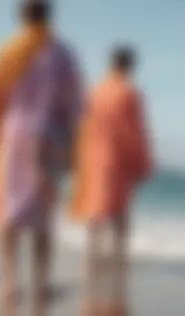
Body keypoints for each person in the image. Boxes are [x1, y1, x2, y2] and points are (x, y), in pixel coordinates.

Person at [0, 0, 83, 316]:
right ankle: (40, 283)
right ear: (50, 15)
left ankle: (9, 281)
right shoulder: (65, 54)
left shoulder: (8, 49)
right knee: (44, 216)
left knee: (8, 212)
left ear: (20, 16)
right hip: (51, 138)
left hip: (13, 136)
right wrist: (73, 145)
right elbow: (75, 105)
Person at [69, 46, 152, 314]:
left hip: (92, 157)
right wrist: (142, 164)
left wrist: (77, 159)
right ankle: (117, 259)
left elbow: (80, 126)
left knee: (96, 210)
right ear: (129, 65)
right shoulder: (129, 93)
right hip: (116, 158)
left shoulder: (93, 92)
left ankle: (92, 255)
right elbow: (134, 132)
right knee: (118, 212)